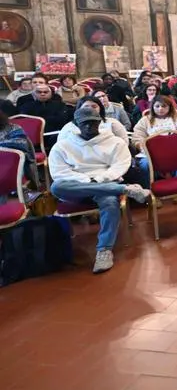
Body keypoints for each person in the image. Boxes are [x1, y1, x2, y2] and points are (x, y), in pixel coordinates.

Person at [49, 106, 151, 274]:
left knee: (110, 202)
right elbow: (59, 172)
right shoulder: (63, 146)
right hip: (77, 188)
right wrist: (86, 180)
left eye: (93, 123)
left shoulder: (115, 142)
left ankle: (104, 249)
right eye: (85, 124)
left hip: (105, 181)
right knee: (56, 186)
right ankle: (124, 189)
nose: (89, 127)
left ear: (100, 122)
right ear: (76, 124)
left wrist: (99, 180)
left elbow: (121, 165)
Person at [131, 95, 177, 187]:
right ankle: (149, 189)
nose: (160, 109)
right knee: (144, 165)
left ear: (169, 107)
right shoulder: (145, 120)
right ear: (153, 107)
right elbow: (137, 136)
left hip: (173, 150)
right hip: (150, 152)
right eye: (157, 106)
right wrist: (142, 145)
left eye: (164, 106)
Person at [59, 95, 129, 143]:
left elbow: (124, 143)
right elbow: (62, 147)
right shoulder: (69, 127)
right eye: (86, 107)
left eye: (94, 106)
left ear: (100, 109)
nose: (90, 109)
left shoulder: (113, 123)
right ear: (79, 109)